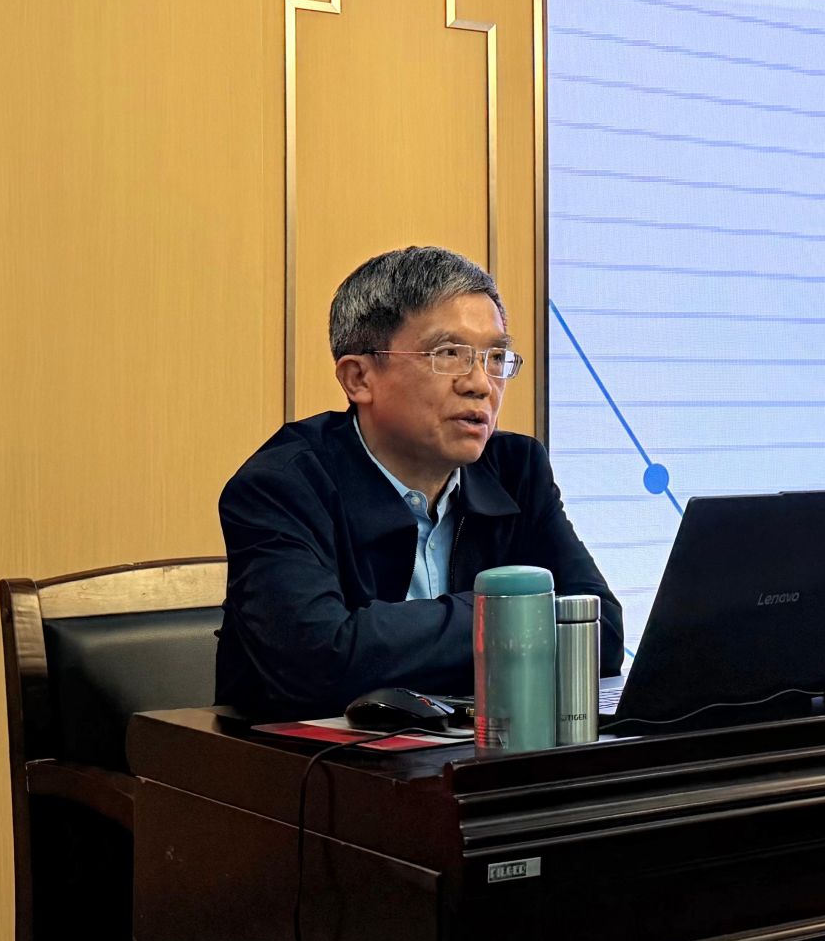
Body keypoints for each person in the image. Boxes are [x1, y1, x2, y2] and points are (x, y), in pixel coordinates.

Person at [215, 246, 622, 719]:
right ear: (359, 378)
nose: (480, 384)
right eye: (449, 354)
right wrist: (509, 615)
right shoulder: (279, 486)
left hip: (471, 750)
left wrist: (398, 642)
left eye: (495, 357)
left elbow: (600, 633)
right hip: (306, 759)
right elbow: (319, 663)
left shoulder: (516, 469)